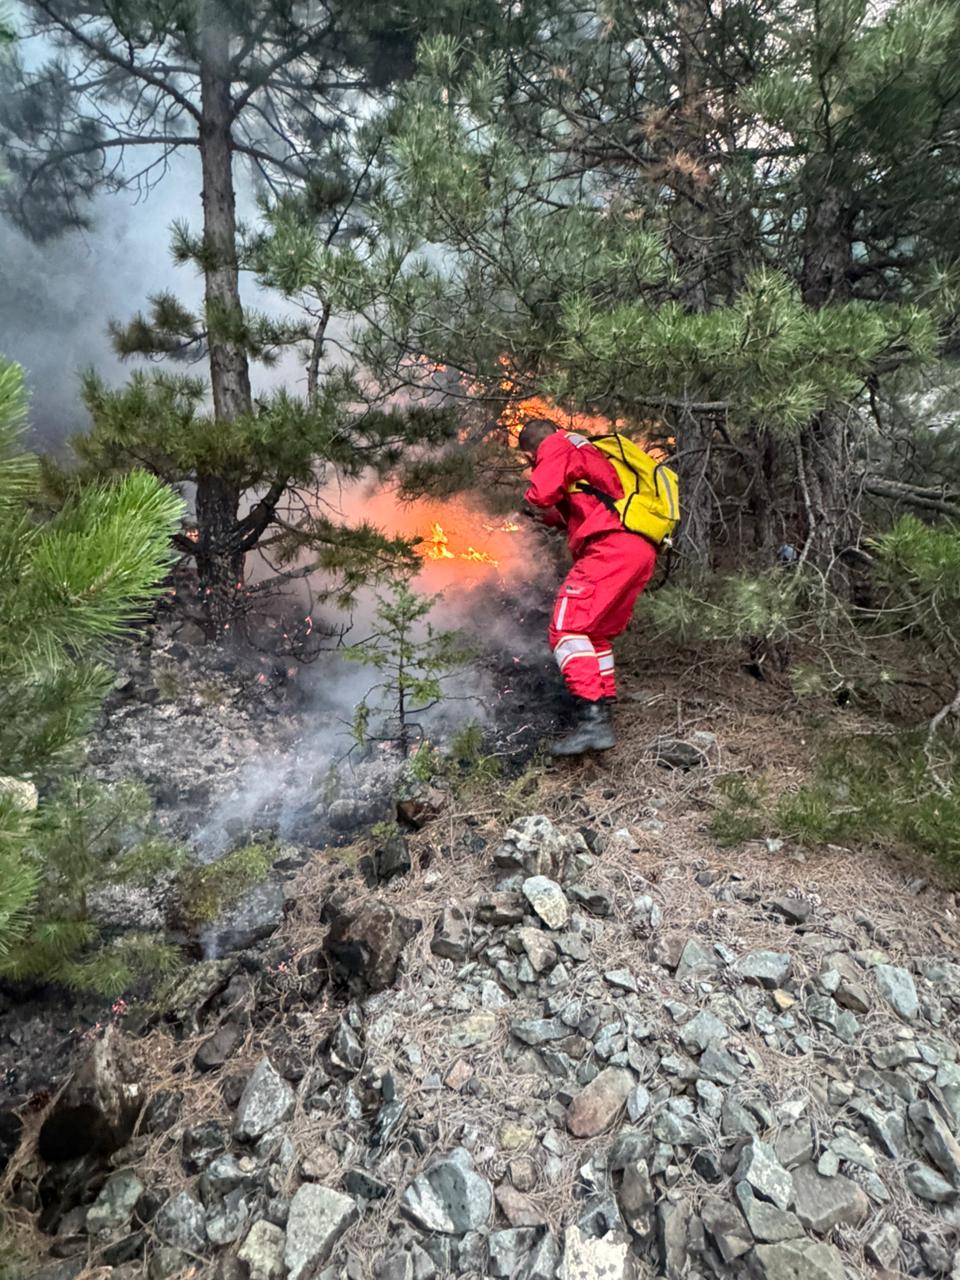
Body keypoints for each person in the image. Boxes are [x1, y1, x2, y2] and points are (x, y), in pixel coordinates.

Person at [519, 418, 658, 755]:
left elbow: (541, 493)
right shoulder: (588, 451)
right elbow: (588, 500)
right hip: (638, 548)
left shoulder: (557, 443)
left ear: (531, 452)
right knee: (595, 634)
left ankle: (592, 721)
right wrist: (550, 518)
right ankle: (603, 711)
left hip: (610, 547)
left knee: (566, 629)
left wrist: (527, 498)